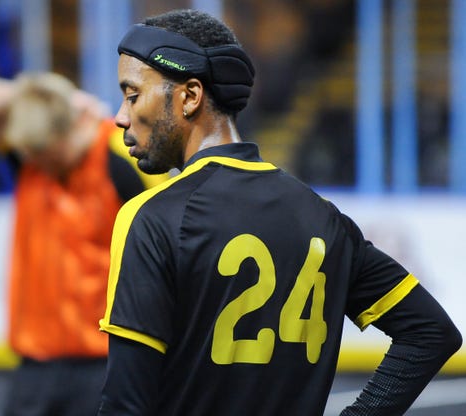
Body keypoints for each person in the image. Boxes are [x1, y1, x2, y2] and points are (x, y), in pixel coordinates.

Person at [96, 9, 462, 416]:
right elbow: (431, 333)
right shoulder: (323, 217)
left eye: (132, 94)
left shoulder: (152, 217)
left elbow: (124, 405)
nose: (121, 116)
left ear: (190, 96)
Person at [0, 72, 167, 416]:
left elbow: (164, 253)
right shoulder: (35, 147)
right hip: (36, 363)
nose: (37, 162)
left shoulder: (124, 159)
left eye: (46, 153)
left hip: (105, 361)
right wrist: (34, 94)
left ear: (76, 126)